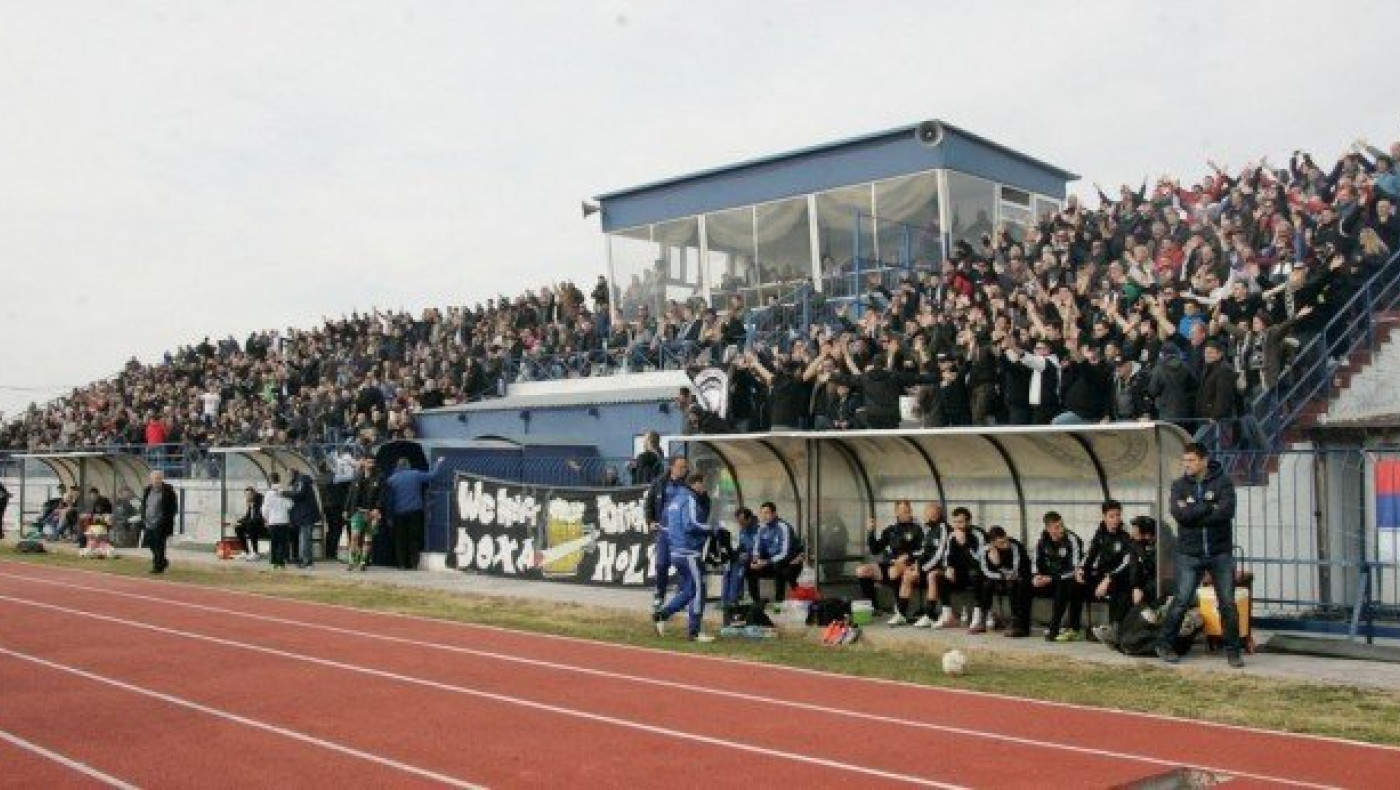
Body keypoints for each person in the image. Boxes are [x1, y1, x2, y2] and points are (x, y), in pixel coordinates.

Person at [1157, 443, 1245, 668]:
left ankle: (1233, 651)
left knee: (1227, 602)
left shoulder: (1223, 481)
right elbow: (1180, 516)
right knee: (1181, 601)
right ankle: (1164, 644)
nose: (1187, 464)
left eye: (1192, 460)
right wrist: (1207, 506)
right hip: (1190, 554)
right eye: (1184, 460)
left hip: (1220, 553)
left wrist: (1194, 510)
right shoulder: (1178, 486)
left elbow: (1226, 512)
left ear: (1204, 460)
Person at [652, 472, 715, 642]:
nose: (704, 488)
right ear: (695, 484)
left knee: (690, 589)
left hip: (676, 551)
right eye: (703, 484)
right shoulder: (689, 499)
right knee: (699, 589)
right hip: (689, 551)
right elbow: (690, 524)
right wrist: (711, 529)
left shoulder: (675, 500)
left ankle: (662, 614)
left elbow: (668, 525)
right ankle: (694, 632)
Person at [855, 500, 925, 625]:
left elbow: (923, 550)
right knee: (862, 570)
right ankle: (874, 606)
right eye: (904, 511)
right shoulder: (890, 530)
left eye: (908, 511)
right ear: (896, 512)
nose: (907, 514)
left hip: (909, 566)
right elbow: (875, 550)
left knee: (895, 570)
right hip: (890, 565)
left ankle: (900, 608)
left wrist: (907, 556)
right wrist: (870, 532)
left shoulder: (917, 529)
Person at [1076, 500, 1135, 628]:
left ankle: (1114, 628)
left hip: (1118, 575)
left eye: (1118, 515)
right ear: (1104, 517)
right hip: (1102, 574)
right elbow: (1089, 555)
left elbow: (1127, 562)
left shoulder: (1126, 536)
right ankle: (1079, 627)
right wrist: (1081, 570)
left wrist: (1109, 578)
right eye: (1111, 516)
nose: (1115, 519)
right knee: (1073, 583)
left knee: (1120, 588)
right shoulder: (1099, 534)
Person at [383, 456, 449, 571]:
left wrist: (389, 516)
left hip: (399, 513)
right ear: (408, 465)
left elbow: (388, 499)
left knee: (400, 539)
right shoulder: (415, 474)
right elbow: (432, 475)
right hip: (415, 512)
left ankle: (402, 564)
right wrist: (438, 463)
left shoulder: (391, 479)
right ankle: (414, 564)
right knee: (414, 539)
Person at [644, 456, 690, 611]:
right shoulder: (659, 482)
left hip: (681, 534)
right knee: (661, 564)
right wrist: (650, 521)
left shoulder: (688, 485)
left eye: (685, 467)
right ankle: (659, 595)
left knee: (682, 565)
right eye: (680, 467)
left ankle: (682, 597)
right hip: (663, 531)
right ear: (671, 467)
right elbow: (649, 503)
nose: (683, 470)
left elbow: (701, 502)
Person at [1031, 511, 1086, 641]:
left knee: (1069, 584)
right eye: (1057, 527)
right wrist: (1036, 577)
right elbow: (1035, 563)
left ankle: (1056, 627)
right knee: (1022, 584)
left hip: (1066, 579)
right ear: (1048, 528)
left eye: (1062, 525)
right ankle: (1019, 625)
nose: (1061, 530)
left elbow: (1075, 569)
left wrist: (1052, 579)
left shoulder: (1072, 539)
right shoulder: (1041, 542)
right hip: (1047, 580)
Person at [928, 507, 982, 628]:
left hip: (975, 572)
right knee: (939, 576)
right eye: (955, 522)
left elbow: (980, 560)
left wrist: (964, 544)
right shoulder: (952, 535)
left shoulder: (978, 534)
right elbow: (947, 555)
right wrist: (948, 567)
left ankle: (977, 616)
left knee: (976, 574)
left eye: (961, 522)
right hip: (958, 574)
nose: (957, 525)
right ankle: (948, 615)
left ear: (968, 522)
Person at [971, 526, 1031, 636]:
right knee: (985, 584)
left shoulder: (1015, 546)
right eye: (1001, 543)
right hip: (997, 578)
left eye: (1006, 540)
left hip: (1017, 578)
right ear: (993, 543)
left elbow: (1015, 571)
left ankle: (1015, 621)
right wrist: (1001, 576)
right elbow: (986, 572)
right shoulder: (985, 550)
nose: (1006, 544)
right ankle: (982, 620)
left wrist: (998, 564)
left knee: (1012, 584)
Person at [747, 501, 803, 604]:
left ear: (774, 513)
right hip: (771, 562)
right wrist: (755, 560)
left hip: (790, 563)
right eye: (762, 513)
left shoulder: (783, 527)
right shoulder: (762, 528)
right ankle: (756, 601)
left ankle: (779, 601)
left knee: (778, 566)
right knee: (749, 567)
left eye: (767, 513)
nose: (764, 516)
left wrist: (766, 562)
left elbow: (785, 553)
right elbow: (757, 548)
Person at [343, 457, 384, 571]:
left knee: (368, 538)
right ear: (364, 463)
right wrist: (346, 509)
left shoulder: (379, 477)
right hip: (357, 511)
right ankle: (352, 560)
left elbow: (381, 496)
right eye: (369, 462)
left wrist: (377, 509)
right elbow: (350, 494)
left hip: (371, 512)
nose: (371, 464)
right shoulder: (357, 477)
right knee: (354, 535)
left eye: (373, 462)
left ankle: (363, 561)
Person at [139, 470, 179, 574]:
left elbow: (173, 508)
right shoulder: (147, 490)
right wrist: (143, 516)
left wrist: (165, 520)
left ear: (162, 479)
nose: (156, 480)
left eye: (158, 478)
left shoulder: (168, 491)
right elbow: (144, 505)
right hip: (148, 522)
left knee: (159, 546)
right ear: (151, 479)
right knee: (150, 544)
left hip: (161, 524)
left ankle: (157, 567)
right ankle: (163, 561)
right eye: (154, 478)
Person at [720, 507, 758, 608]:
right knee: (728, 565)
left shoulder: (758, 529)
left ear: (749, 519)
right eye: (738, 521)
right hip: (743, 556)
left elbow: (760, 547)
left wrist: (749, 554)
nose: (740, 524)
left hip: (757, 558)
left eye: (742, 521)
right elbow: (741, 545)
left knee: (737, 565)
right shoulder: (743, 529)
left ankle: (733, 599)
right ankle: (725, 599)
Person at [286, 469, 319, 569]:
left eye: (289, 475)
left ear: (293, 474)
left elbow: (299, 494)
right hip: (303, 515)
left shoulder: (302, 480)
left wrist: (284, 493)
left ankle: (308, 561)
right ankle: (304, 560)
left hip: (307, 515)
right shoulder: (300, 481)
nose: (288, 477)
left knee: (305, 539)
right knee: (303, 539)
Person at [261, 473, 294, 570]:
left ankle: (274, 562)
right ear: (279, 479)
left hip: (272, 521)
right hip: (284, 520)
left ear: (270, 480)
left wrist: (266, 518)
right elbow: (290, 505)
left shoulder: (268, 494)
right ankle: (281, 562)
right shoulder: (283, 492)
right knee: (283, 542)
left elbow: (265, 508)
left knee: (274, 542)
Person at [233, 486, 267, 560]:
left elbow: (259, 516)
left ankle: (255, 553)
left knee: (251, 526)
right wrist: (239, 522)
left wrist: (246, 522)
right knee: (238, 528)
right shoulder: (251, 502)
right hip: (253, 524)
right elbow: (248, 516)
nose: (247, 497)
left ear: (254, 494)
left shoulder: (261, 500)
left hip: (263, 526)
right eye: (246, 495)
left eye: (249, 495)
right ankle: (245, 551)